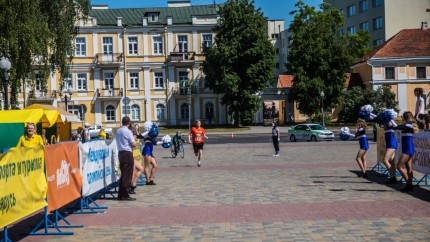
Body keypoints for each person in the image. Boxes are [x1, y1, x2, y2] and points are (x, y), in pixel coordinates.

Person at [395, 111, 418, 192]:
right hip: (406, 148)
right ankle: (409, 185)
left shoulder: (408, 125)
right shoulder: (408, 124)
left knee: (399, 166)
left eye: (402, 117)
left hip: (408, 148)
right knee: (409, 168)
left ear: (405, 117)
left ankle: (408, 183)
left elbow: (398, 127)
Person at [115, 116, 137, 201]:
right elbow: (133, 144)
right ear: (129, 123)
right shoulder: (128, 132)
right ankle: (125, 194)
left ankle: (120, 194)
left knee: (123, 173)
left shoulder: (118, 130)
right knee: (127, 175)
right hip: (127, 153)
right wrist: (134, 140)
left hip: (121, 153)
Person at [382, 119, 398, 184]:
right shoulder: (387, 128)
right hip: (389, 145)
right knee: (391, 161)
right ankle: (393, 177)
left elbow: (395, 125)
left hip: (392, 145)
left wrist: (388, 117)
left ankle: (393, 177)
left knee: (385, 160)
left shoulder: (390, 125)